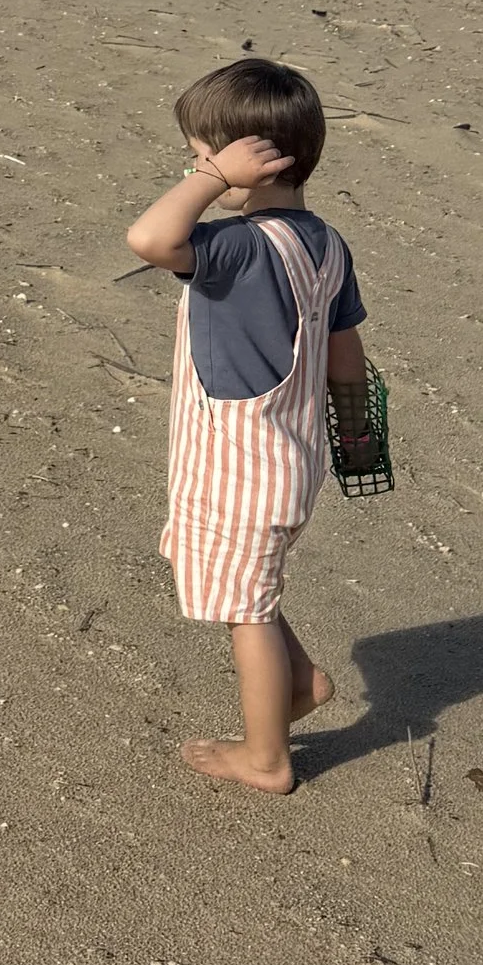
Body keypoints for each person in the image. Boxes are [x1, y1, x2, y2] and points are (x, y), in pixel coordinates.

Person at [124, 56, 369, 793]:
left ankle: (267, 757)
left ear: (256, 165)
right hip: (291, 458)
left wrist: (210, 183)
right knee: (250, 588)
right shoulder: (323, 243)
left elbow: (150, 239)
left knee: (245, 612)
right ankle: (297, 687)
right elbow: (347, 351)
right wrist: (358, 432)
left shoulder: (236, 247)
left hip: (237, 465)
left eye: (205, 156)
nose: (197, 168)